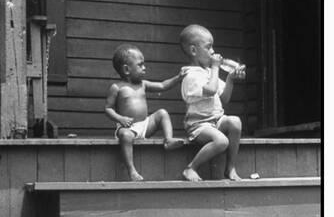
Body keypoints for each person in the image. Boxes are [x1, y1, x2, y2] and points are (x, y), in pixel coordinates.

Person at [105, 44, 188, 181]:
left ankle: (168, 140)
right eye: (140, 65)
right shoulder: (117, 88)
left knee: (162, 113)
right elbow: (108, 109)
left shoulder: (143, 84)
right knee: (124, 135)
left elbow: (162, 85)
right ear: (126, 69)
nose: (144, 68)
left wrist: (178, 78)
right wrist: (120, 118)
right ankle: (132, 170)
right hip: (128, 128)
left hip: (145, 126)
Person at [179, 24, 246, 181]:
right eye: (208, 47)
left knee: (235, 122)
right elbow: (210, 90)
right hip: (199, 125)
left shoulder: (209, 72)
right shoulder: (191, 75)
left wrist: (230, 79)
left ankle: (230, 168)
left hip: (216, 120)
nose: (213, 52)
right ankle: (191, 168)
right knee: (221, 141)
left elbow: (224, 99)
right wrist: (216, 68)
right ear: (194, 51)